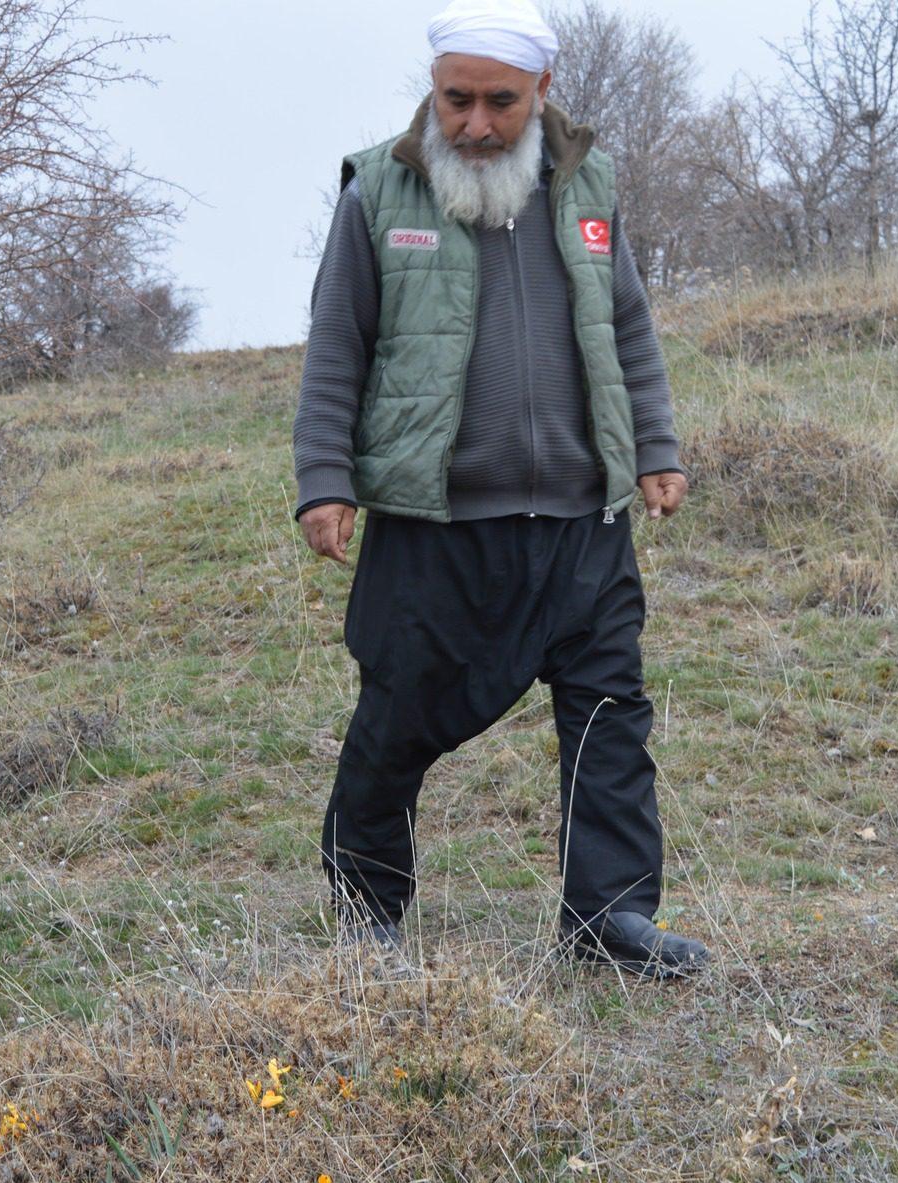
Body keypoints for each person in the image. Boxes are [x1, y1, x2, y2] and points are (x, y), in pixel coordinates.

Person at [293, 0, 710, 978]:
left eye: (498, 103)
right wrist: (322, 480)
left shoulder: (587, 185)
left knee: (609, 721)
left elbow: (627, 330)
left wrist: (654, 446)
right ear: (432, 89)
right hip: (435, 525)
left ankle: (607, 922)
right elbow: (333, 349)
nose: (473, 125)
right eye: (455, 100)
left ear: (541, 92)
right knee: (394, 723)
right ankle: (367, 913)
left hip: (582, 518)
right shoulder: (379, 192)